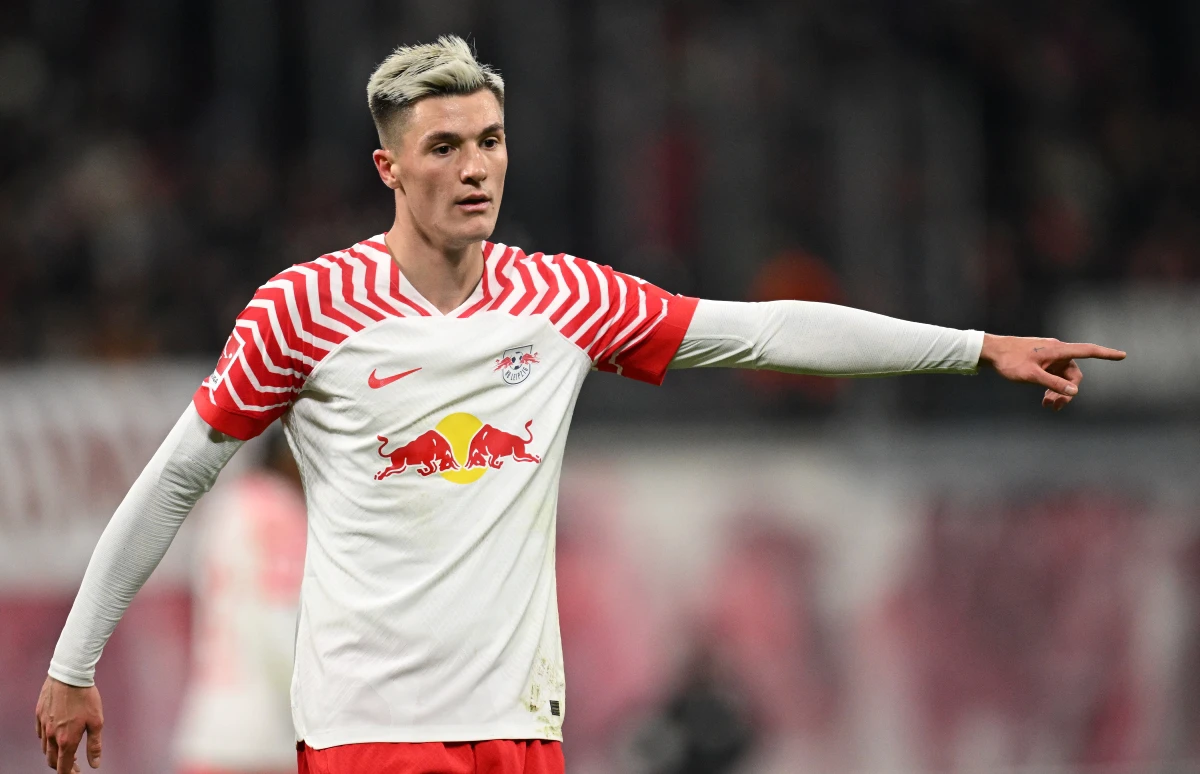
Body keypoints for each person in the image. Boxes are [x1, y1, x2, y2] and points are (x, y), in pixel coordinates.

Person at [34, 35, 1125, 774]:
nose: (476, 168)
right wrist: (74, 665)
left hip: (520, 730)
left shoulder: (560, 299)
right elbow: (176, 478)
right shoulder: (306, 309)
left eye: (490, 141)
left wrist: (976, 348)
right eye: (444, 148)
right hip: (374, 733)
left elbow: (761, 330)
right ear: (389, 168)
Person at [172, 430, 307, 774]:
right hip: (265, 739)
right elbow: (282, 620)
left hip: (209, 727)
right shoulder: (280, 512)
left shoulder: (228, 504)